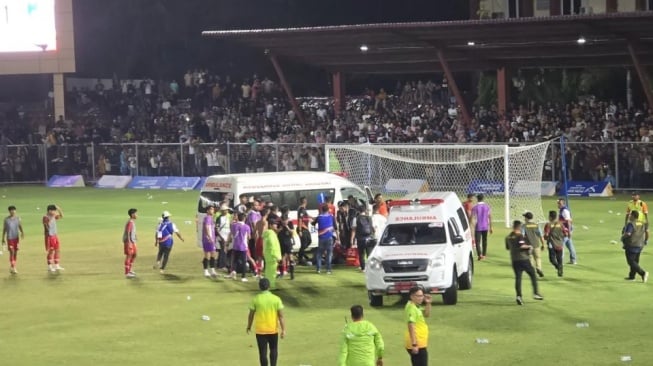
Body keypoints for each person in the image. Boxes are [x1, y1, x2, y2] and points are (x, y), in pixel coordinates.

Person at [247, 277, 286, 366]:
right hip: (272, 329)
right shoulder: (276, 299)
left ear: (259, 287)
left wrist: (249, 326)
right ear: (269, 286)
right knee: (274, 349)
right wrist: (283, 330)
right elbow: (281, 316)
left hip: (260, 330)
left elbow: (251, 315)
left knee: (262, 352)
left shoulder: (256, 299)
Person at [505, 220, 543, 305]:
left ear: (513, 226)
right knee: (533, 274)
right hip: (523, 259)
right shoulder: (520, 236)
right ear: (519, 227)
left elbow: (508, 248)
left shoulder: (508, 237)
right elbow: (522, 246)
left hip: (514, 260)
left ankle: (519, 296)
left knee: (518, 278)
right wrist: (529, 247)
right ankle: (536, 293)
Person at [405, 286, 431, 366]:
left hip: (420, 342)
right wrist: (414, 344)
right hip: (417, 343)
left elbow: (426, 314)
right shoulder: (411, 308)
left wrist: (428, 303)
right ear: (412, 296)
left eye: (422, 296)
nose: (421, 298)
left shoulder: (416, 306)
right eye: (418, 296)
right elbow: (411, 325)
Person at [621, 211, 649, 283]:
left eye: (630, 215)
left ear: (633, 216)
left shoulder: (631, 224)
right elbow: (647, 232)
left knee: (631, 261)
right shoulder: (641, 223)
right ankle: (632, 276)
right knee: (635, 261)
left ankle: (643, 273)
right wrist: (645, 240)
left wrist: (623, 237)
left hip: (631, 244)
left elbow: (628, 233)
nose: (629, 216)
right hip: (640, 244)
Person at [543, 210, 568, 277]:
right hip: (560, 244)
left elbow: (546, 234)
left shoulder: (548, 225)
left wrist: (545, 238)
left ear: (550, 217)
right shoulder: (560, 224)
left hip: (552, 244)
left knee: (552, 259)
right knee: (559, 258)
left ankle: (558, 267)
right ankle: (561, 271)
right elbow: (566, 233)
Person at [227, 212, 251, 281]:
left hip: (235, 246)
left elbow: (231, 234)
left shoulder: (233, 225)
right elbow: (249, 237)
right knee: (244, 262)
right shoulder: (247, 227)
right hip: (243, 247)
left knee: (235, 260)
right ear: (244, 218)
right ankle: (243, 277)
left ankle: (233, 272)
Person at [314, 204, 336, 274]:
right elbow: (335, 226)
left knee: (319, 254)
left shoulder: (319, 217)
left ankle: (318, 269)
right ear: (328, 210)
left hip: (321, 237)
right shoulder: (331, 216)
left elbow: (312, 223)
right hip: (329, 237)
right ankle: (328, 270)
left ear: (322, 210)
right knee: (329, 254)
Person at [351, 206, 374, 272]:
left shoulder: (356, 218)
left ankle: (363, 268)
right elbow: (372, 228)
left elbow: (353, 229)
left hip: (360, 238)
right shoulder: (369, 218)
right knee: (369, 254)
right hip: (369, 238)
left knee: (361, 254)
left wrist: (352, 239)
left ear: (358, 211)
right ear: (365, 210)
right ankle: (371, 267)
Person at [522, 211, 545, 277]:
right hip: (536, 244)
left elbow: (522, 236)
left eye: (524, 217)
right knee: (538, 258)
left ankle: (532, 272)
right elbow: (540, 235)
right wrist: (543, 244)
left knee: (530, 258)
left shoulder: (524, 226)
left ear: (526, 218)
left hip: (528, 245)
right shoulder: (536, 225)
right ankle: (539, 268)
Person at [2, 205, 24, 274]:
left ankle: (12, 266)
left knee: (15, 252)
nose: (13, 211)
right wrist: (2, 238)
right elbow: (4, 229)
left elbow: (20, 226)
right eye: (11, 210)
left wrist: (22, 232)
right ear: (9, 211)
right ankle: (13, 267)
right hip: (9, 238)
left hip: (16, 238)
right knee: (12, 251)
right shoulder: (6, 220)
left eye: (14, 210)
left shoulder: (18, 218)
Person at [43, 204, 64, 273]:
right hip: (50, 236)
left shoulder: (53, 216)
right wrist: (49, 235)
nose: (55, 212)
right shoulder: (46, 217)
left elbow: (61, 216)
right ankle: (50, 266)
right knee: (51, 251)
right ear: (49, 211)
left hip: (55, 235)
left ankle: (57, 265)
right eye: (54, 211)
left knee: (57, 249)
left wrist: (59, 209)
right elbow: (46, 227)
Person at [471, 194, 492, 260]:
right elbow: (490, 216)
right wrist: (491, 227)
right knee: (485, 240)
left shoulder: (475, 207)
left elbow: (473, 218)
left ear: (477, 199)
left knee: (477, 241)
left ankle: (479, 254)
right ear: (483, 198)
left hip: (478, 226)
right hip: (485, 226)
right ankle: (484, 255)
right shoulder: (487, 207)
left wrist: (472, 225)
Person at [263, 218, 283, 289]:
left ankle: (267, 285)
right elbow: (272, 246)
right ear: (270, 225)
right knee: (272, 272)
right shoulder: (271, 234)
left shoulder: (269, 233)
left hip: (269, 256)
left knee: (269, 272)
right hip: (272, 256)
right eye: (275, 224)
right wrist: (277, 256)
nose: (276, 225)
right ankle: (271, 286)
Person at [557, 198, 578, 264]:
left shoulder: (564, 211)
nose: (558, 204)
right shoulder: (562, 210)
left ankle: (560, 261)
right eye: (558, 203)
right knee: (569, 244)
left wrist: (568, 232)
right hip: (566, 230)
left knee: (561, 245)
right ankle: (573, 260)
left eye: (559, 203)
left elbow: (568, 221)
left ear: (563, 203)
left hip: (565, 231)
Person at [277, 206, 295, 280]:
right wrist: (280, 228)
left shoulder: (290, 223)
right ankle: (281, 273)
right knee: (282, 258)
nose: (284, 221)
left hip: (288, 242)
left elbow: (292, 231)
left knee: (290, 257)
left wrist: (287, 226)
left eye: (286, 220)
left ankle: (292, 274)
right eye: (283, 220)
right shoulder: (279, 223)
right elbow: (277, 231)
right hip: (281, 242)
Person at [201, 205, 218, 278]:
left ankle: (212, 270)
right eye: (211, 209)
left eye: (213, 209)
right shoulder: (207, 218)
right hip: (208, 239)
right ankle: (206, 271)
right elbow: (207, 227)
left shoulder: (211, 218)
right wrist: (209, 237)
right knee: (207, 255)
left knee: (213, 254)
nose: (212, 210)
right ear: (207, 211)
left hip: (212, 239)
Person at [215, 203, 233, 270]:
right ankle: (222, 265)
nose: (227, 211)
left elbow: (229, 227)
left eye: (227, 210)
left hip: (227, 236)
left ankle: (221, 264)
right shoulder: (219, 218)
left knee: (224, 250)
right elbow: (217, 228)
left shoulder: (228, 217)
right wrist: (221, 237)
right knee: (223, 251)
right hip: (222, 236)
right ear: (222, 211)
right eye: (225, 210)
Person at [296, 196, 312, 264]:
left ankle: (301, 254)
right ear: (305, 201)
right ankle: (300, 257)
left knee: (308, 241)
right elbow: (300, 219)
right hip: (302, 228)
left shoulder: (303, 209)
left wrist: (314, 218)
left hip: (305, 228)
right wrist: (300, 230)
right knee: (304, 243)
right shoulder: (301, 209)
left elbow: (307, 215)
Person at [123, 208, 138, 278]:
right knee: (129, 256)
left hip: (133, 241)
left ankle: (130, 269)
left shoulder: (132, 222)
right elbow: (128, 233)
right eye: (135, 213)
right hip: (129, 242)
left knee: (134, 254)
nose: (137, 215)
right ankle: (127, 273)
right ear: (132, 215)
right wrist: (129, 243)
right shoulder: (130, 222)